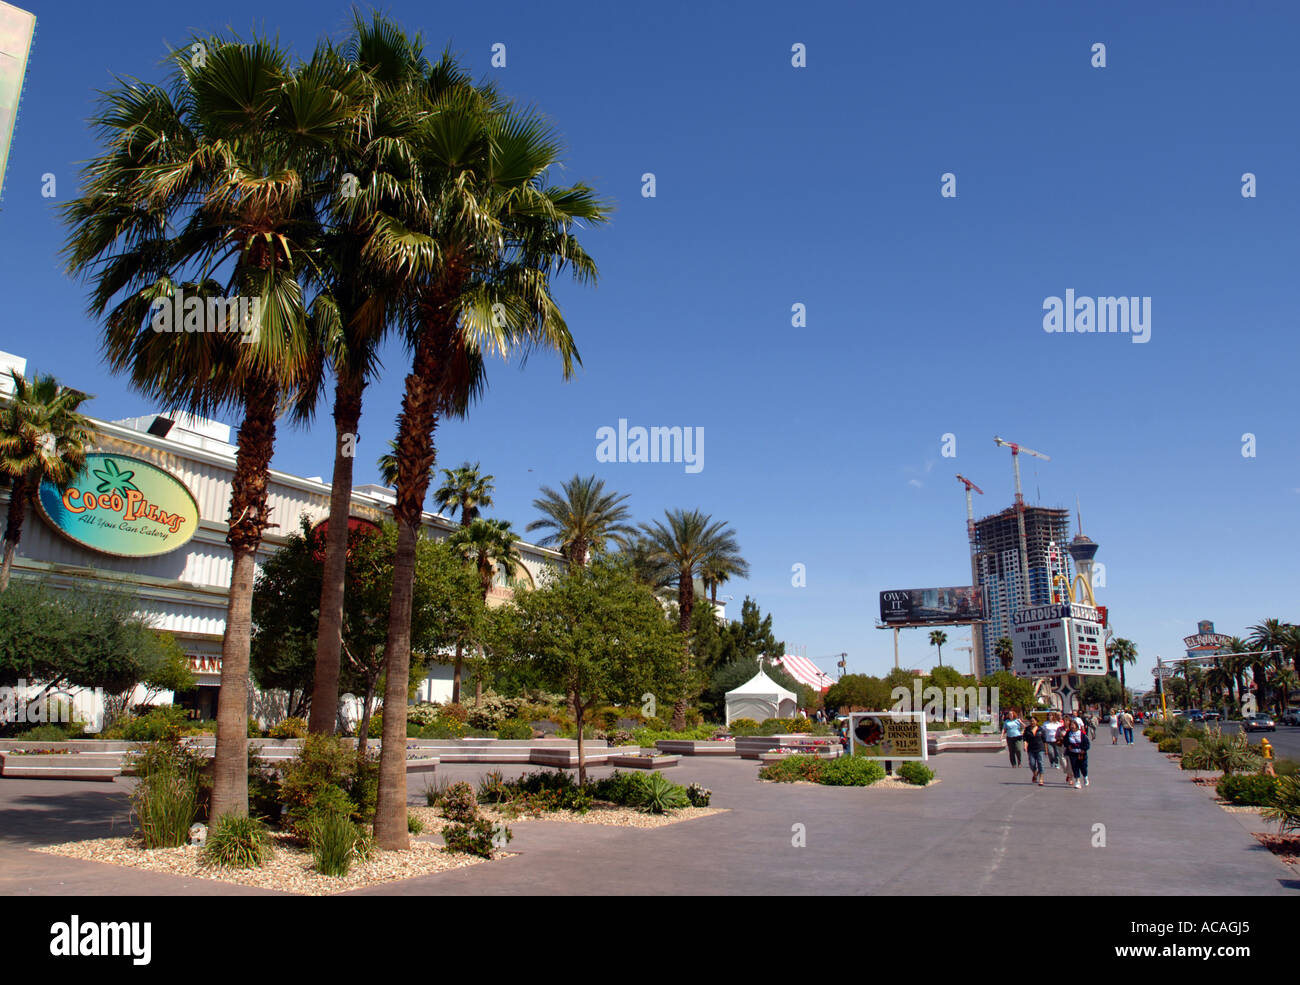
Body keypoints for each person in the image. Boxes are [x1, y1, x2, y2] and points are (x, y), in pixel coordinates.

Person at [1063, 718, 1091, 788]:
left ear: (1076, 725)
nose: (1072, 726)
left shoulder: (1082, 734)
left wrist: (1084, 750)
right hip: (1073, 753)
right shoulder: (1068, 733)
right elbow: (1065, 741)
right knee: (1075, 767)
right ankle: (1077, 781)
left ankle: (1085, 777)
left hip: (1081, 753)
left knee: (1083, 767)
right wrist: (1068, 746)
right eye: (1071, 725)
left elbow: (1087, 743)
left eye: (1073, 725)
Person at [1023, 719, 1046, 786]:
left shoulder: (1040, 729)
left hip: (1040, 748)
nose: (1032, 722)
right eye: (1031, 721)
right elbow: (1025, 739)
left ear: (1036, 721)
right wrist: (1025, 746)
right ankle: (1035, 773)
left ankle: (1041, 778)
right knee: (1032, 763)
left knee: (1040, 762)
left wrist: (1046, 750)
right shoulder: (1027, 729)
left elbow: (1044, 740)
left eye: (1033, 721)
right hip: (1031, 748)